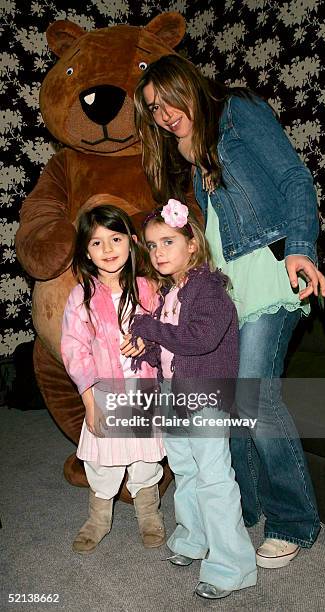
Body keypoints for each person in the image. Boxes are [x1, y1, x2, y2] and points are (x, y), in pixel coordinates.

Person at [133, 54, 325, 569]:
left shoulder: (236, 110)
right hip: (225, 290)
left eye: (167, 98)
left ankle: (293, 522)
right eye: (153, 109)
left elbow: (292, 177)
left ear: (188, 85)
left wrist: (301, 246)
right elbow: (212, 234)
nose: (163, 113)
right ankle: (241, 507)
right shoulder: (190, 153)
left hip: (267, 272)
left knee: (254, 397)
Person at [128, 201, 257, 600]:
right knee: (184, 469)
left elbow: (200, 340)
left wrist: (149, 326)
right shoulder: (172, 291)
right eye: (151, 246)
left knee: (214, 478)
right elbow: (173, 351)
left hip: (204, 396)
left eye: (168, 241)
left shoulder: (209, 288)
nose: (159, 252)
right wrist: (146, 350)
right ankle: (193, 538)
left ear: (193, 244)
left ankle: (232, 567)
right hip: (175, 393)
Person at [61, 204, 166, 554]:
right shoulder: (82, 297)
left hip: (144, 392)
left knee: (145, 458)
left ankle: (149, 514)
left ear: (131, 242)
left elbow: (166, 332)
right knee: (103, 459)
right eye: (96, 243)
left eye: (115, 239)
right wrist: (90, 402)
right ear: (86, 252)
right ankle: (98, 518)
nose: (107, 250)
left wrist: (146, 340)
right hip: (103, 393)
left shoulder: (149, 289)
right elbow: (75, 351)